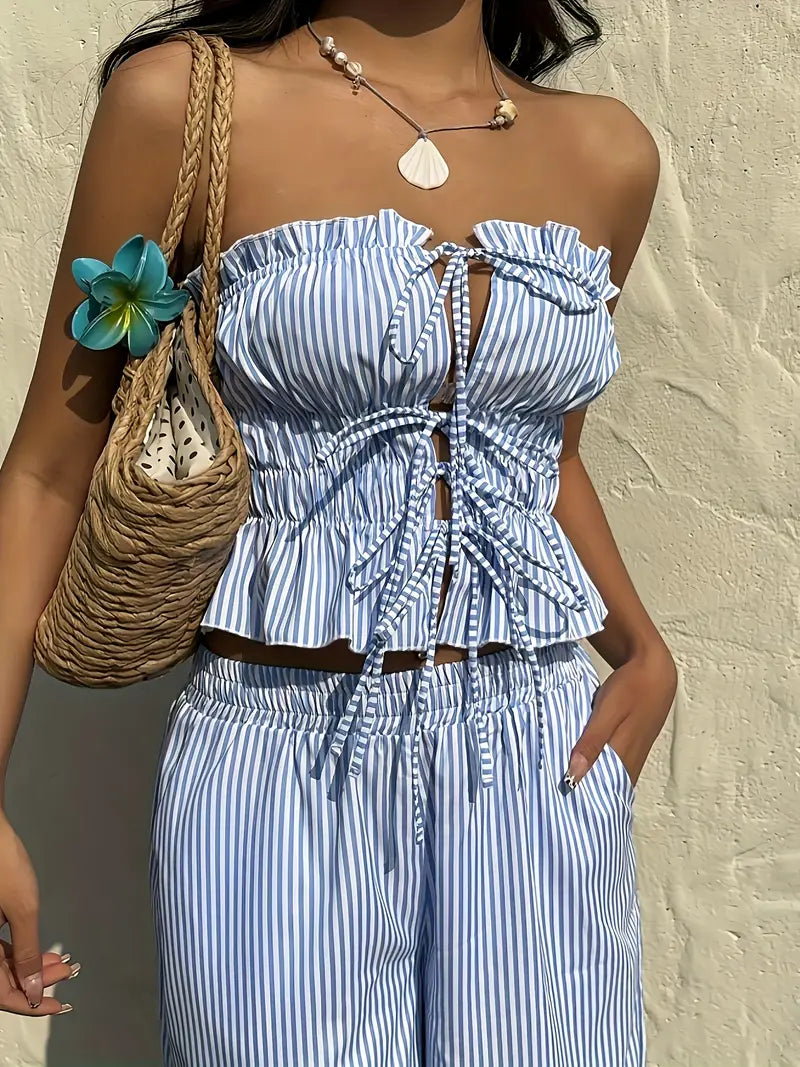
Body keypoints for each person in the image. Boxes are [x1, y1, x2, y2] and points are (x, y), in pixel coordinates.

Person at [0, 1, 678, 1062]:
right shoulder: (185, 103)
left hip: (535, 757)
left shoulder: (607, 153)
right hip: (282, 755)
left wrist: (640, 648)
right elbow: (47, 471)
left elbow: (535, 455)